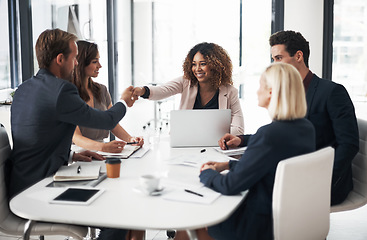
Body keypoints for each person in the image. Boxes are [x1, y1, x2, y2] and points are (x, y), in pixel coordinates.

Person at [5, 28, 136, 240]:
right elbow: (106, 120)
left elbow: (35, 139)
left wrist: (71, 155)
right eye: (74, 58)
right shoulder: (61, 91)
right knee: (120, 214)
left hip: (22, 186)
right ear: (60, 59)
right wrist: (123, 102)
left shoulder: (23, 89)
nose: (76, 63)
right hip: (41, 191)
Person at [174, 63, 315, 240]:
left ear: (271, 93)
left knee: (194, 217)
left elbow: (230, 185)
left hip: (257, 224)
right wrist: (227, 164)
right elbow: (270, 166)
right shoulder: (306, 128)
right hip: (289, 217)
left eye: (260, 86)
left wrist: (207, 173)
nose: (257, 92)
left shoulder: (269, 135)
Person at [269, 30, 359, 206]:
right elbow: (277, 134)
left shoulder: (332, 92)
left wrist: (321, 180)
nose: (274, 65)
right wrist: (241, 140)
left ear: (299, 56)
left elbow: (349, 145)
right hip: (294, 172)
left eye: (279, 58)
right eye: (273, 59)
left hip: (326, 180)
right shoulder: (286, 92)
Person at [132, 42, 244, 135]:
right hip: (185, 141)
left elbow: (238, 129)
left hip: (217, 145)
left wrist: (221, 136)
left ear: (216, 66)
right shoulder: (185, 82)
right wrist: (142, 91)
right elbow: (162, 90)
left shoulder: (230, 92)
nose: (197, 69)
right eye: (194, 64)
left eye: (203, 64)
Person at [71, 40, 144, 153]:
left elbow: (112, 123)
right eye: (95, 62)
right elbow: (76, 137)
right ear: (81, 63)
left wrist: (130, 139)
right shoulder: (69, 95)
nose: (99, 66)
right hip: (79, 153)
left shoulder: (101, 90)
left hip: (102, 151)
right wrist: (103, 147)